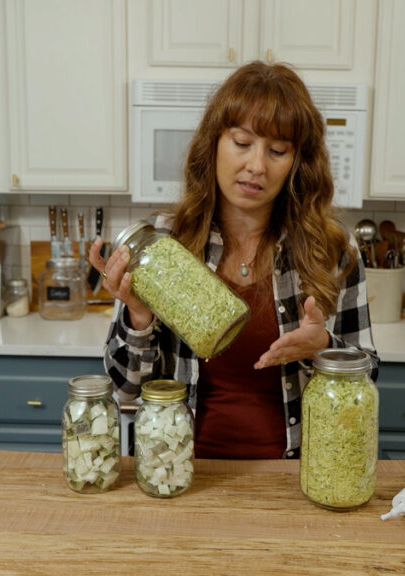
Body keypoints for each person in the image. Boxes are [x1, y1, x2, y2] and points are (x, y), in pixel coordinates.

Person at [89, 61, 378, 460]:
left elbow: (369, 375)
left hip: (297, 474)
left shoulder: (332, 250)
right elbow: (125, 390)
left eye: (277, 151)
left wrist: (322, 348)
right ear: (214, 143)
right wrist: (139, 317)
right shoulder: (165, 244)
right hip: (180, 471)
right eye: (242, 143)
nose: (256, 166)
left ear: (297, 162)